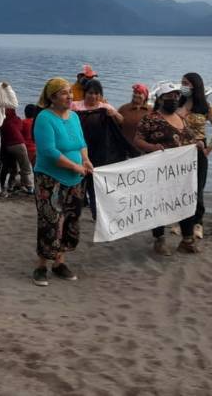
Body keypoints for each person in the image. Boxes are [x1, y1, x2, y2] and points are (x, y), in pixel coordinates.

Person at [32, 77, 93, 286]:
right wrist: (75, 166)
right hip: (50, 179)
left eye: (70, 92)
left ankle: (59, 262)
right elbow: (48, 151)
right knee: (49, 220)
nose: (70, 96)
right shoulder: (44, 118)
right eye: (64, 93)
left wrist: (85, 159)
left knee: (70, 219)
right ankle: (41, 265)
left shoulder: (74, 117)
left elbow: (81, 143)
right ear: (53, 97)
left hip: (75, 179)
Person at [134, 82, 204, 256]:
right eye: (169, 96)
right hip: (159, 171)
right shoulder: (150, 118)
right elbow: (138, 140)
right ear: (161, 99)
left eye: (176, 96)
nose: (173, 99)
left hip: (180, 172)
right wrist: (153, 148)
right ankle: (160, 240)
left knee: (184, 202)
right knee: (159, 205)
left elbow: (189, 139)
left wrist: (198, 143)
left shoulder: (181, 118)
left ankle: (187, 240)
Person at [72, 79, 132, 220]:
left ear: (100, 95)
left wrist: (114, 114)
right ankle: (74, 213)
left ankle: (96, 215)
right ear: (85, 93)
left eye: (96, 93)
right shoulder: (75, 106)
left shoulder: (105, 107)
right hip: (79, 149)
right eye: (90, 93)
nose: (93, 96)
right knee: (77, 183)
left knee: (95, 186)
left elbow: (121, 121)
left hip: (99, 152)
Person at [177, 72, 212, 239]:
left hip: (199, 151)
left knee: (198, 188)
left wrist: (209, 148)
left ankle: (198, 223)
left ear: (195, 86)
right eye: (181, 82)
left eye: (186, 83)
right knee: (181, 187)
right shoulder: (178, 104)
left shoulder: (207, 107)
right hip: (180, 151)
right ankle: (180, 222)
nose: (183, 86)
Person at [0, 107, 34, 194]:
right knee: (25, 167)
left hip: (6, 146)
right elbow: (19, 130)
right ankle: (29, 187)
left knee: (12, 167)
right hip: (19, 145)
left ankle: (9, 185)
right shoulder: (17, 120)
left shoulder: (1, 121)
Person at [117, 83, 151, 155]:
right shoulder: (123, 109)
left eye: (139, 93)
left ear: (145, 96)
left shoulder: (151, 110)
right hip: (124, 149)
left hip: (144, 151)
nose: (136, 95)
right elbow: (114, 124)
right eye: (135, 92)